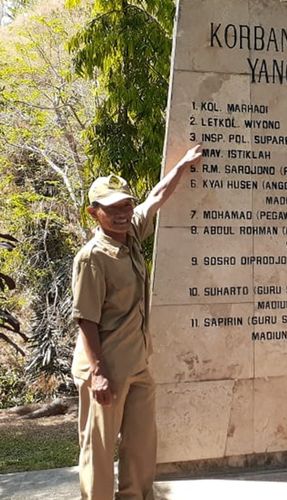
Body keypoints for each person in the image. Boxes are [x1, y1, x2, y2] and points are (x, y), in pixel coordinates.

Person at [71, 145, 202, 499]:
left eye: (126, 204)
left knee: (141, 445)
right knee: (98, 449)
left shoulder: (130, 236)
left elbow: (156, 197)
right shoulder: (92, 258)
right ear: (94, 213)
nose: (123, 213)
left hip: (138, 362)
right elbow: (85, 319)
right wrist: (98, 372)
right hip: (106, 364)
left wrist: (184, 165)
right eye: (112, 208)